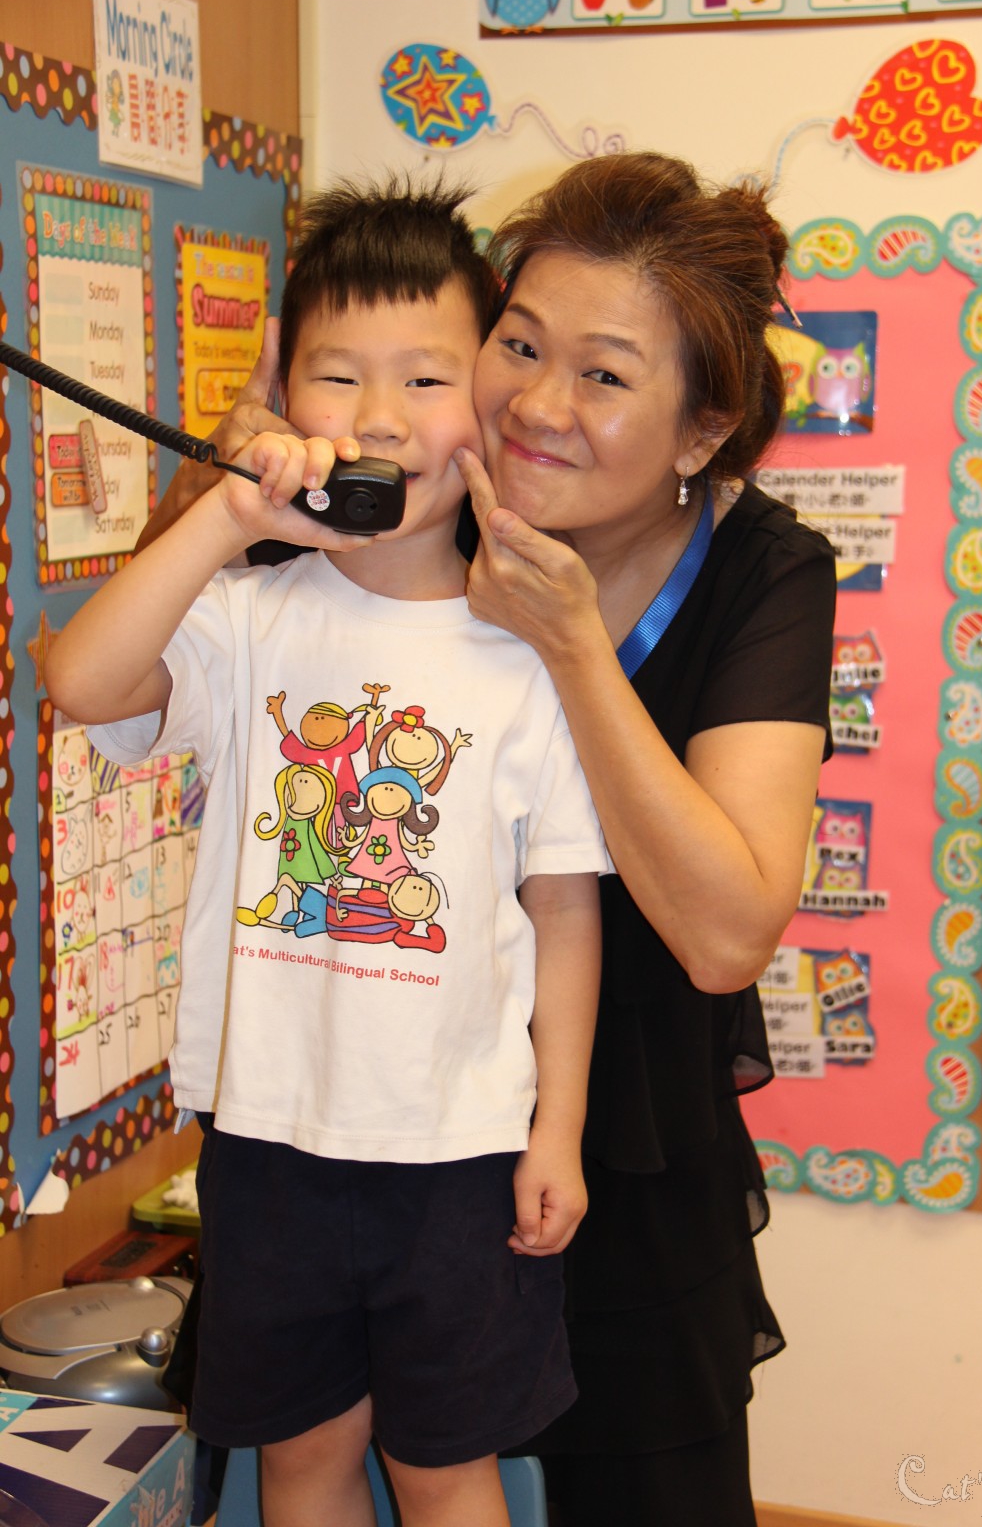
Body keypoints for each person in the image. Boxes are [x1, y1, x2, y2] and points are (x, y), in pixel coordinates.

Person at [44, 177, 608, 1527]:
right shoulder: (248, 614)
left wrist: (560, 1130)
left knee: (444, 1468)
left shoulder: (531, 645)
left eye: (426, 376)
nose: (380, 418)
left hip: (462, 1150)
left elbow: (565, 908)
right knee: (300, 1460)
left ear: (488, 402)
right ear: (282, 394)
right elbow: (81, 681)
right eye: (337, 376)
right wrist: (230, 516)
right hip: (269, 1136)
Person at [446, 152, 837, 1527]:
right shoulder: (416, 500)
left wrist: (570, 645)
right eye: (519, 345)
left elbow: (727, 932)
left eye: (604, 376)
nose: (536, 406)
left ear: (699, 433)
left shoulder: (765, 571)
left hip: (628, 1166)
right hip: (388, 1139)